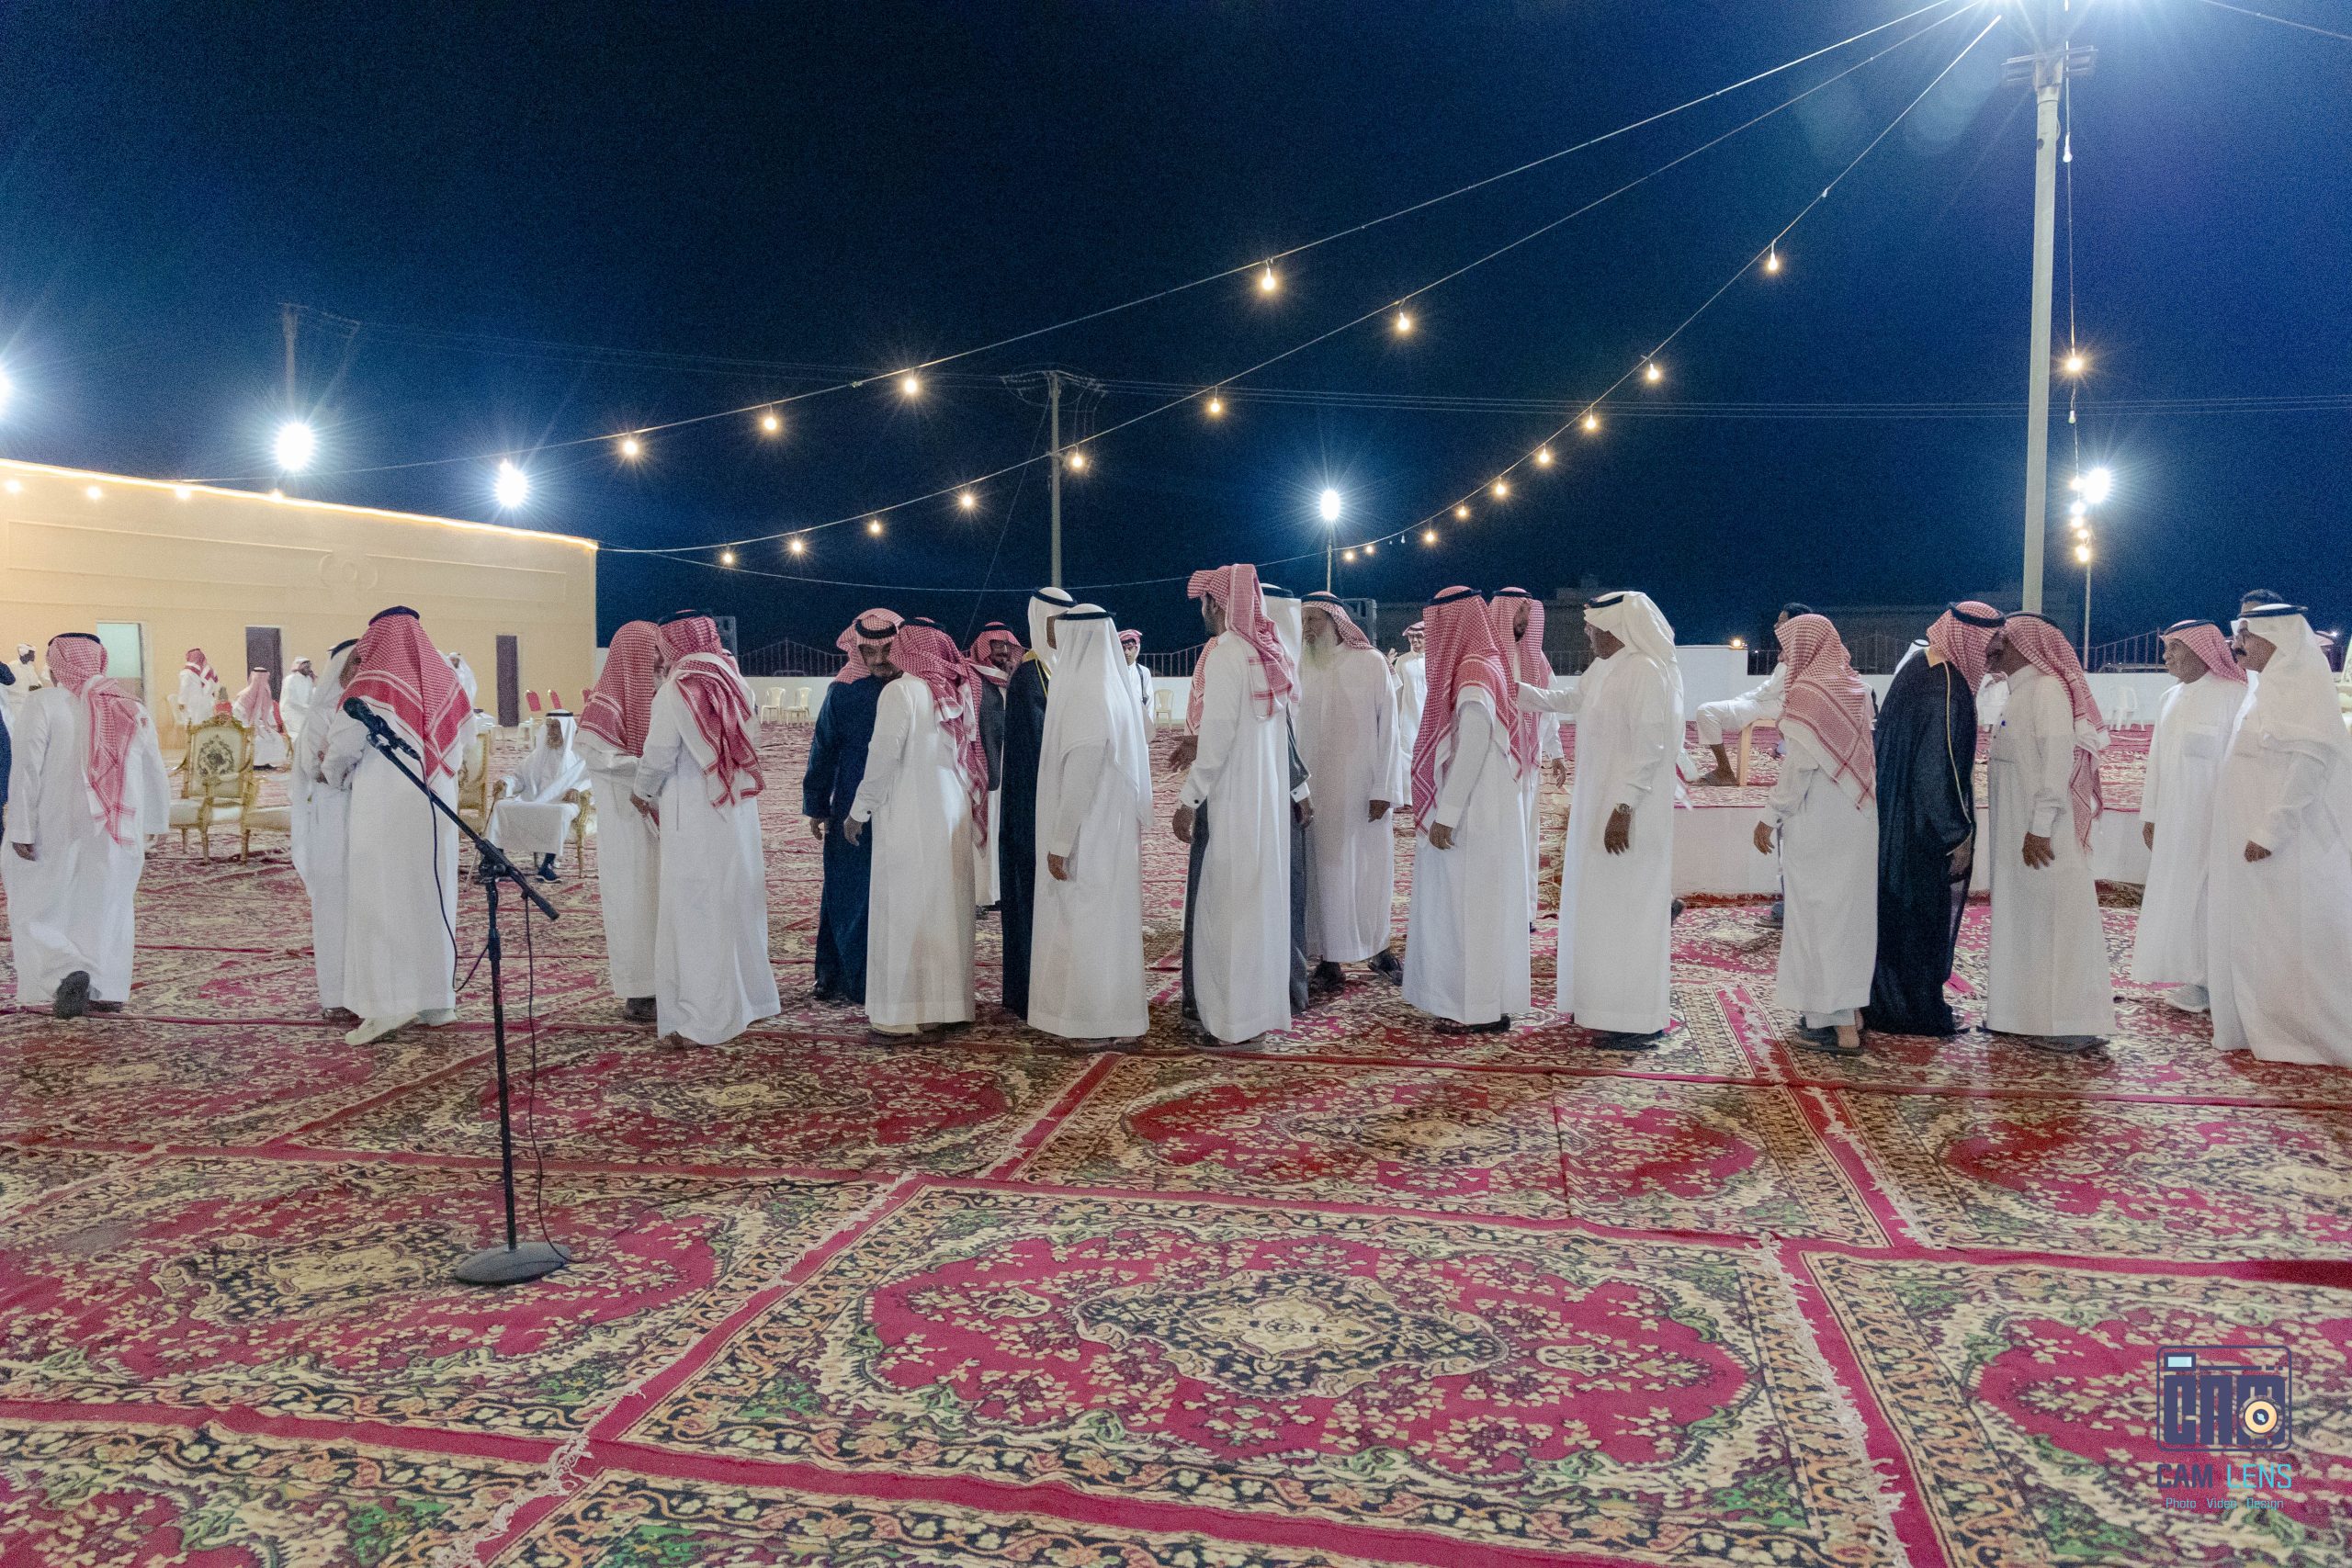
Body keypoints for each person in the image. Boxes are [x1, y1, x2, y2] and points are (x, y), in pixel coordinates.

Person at [1518, 592, 1683, 1046]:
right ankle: (1604, 1004)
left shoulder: (1645, 671)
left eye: (1592, 628)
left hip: (1629, 813)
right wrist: (1510, 690)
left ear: (1615, 628)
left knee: (1630, 909)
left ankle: (1635, 1018)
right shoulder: (1604, 668)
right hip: (1601, 805)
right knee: (1605, 908)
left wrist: (1624, 808)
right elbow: (1567, 699)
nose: (1587, 634)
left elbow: (1651, 748)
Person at [321, 608, 481, 1045]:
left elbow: (342, 747)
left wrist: (331, 774)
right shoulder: (446, 682)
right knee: (431, 893)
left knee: (382, 896)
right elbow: (466, 741)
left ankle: (386, 1006)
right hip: (436, 802)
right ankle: (436, 1000)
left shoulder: (370, 684)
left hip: (383, 805)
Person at [2207, 603, 2352, 1066]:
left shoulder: (2299, 686)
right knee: (2259, 933)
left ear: (2279, 639)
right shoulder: (2263, 687)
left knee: (2290, 935)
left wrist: (2272, 830)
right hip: (2251, 839)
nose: (2238, 644)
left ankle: (2302, 1032)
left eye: (2248, 635)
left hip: (2286, 845)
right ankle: (2263, 1024)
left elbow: (2310, 764)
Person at [3, 632, 171, 1017]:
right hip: (118, 825)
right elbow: (153, 767)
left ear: (58, 666)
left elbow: (26, 770)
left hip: (53, 823)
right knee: (109, 903)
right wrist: (155, 823)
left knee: (37, 903)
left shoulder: (43, 702)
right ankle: (107, 987)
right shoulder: (128, 705)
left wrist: (22, 827)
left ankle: (67, 970)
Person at [633, 611, 778, 1048]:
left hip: (694, 813)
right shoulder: (733, 678)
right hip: (735, 808)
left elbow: (659, 754)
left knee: (698, 913)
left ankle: (704, 1020)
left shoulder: (675, 688)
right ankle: (752, 1000)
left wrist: (641, 791)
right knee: (736, 904)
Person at [1865, 603, 2003, 1037]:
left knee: (1896, 913)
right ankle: (1912, 1011)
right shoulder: (1943, 683)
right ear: (1970, 638)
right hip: (1920, 827)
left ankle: (1890, 1003)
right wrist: (1956, 832)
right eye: (1991, 644)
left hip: (1898, 816)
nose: (1994, 654)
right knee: (1919, 916)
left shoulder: (1922, 667)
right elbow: (1936, 768)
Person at [1174, 563, 1297, 1044]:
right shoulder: (1265, 652)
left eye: (1205, 602)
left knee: (1225, 913)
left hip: (1233, 805)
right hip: (1263, 805)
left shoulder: (1228, 652)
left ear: (1218, 604)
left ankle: (1229, 1024)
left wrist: (1188, 799)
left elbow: (1219, 739)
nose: (1202, 612)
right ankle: (1255, 1014)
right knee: (1256, 909)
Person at [1981, 615, 2115, 1050]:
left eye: (2002, 639)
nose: (1993, 645)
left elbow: (2057, 764)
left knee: (2055, 925)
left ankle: (2068, 1024)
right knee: (2028, 924)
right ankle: (2022, 1015)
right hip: (2020, 835)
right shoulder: (2018, 692)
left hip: (2043, 837)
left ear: (2024, 645)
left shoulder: (2047, 690)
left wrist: (2039, 827)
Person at [847, 620, 984, 1039]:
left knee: (907, 908)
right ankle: (948, 1007)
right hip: (951, 810)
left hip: (910, 813)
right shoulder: (957, 689)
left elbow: (882, 756)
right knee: (946, 908)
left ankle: (908, 1013)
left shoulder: (901, 691)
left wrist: (859, 811)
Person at [1404, 588, 1531, 1031]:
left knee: (1470, 908)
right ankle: (1481, 1003)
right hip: (1485, 803)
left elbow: (1473, 743)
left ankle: (1478, 1010)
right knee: (1476, 906)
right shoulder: (1486, 662)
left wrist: (1447, 814)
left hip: (1475, 808)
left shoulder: (1473, 671)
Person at [1752, 615, 1878, 1055]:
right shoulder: (1855, 687)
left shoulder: (1810, 693)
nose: (1784, 655)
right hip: (1857, 816)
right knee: (1849, 916)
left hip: (1820, 820)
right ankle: (1851, 1012)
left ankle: (1837, 1025)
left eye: (1788, 645)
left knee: (1819, 917)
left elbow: (1799, 767)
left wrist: (1770, 815)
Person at [1029, 605, 1153, 1043]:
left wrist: (1060, 842)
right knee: (1105, 920)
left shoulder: (1087, 691)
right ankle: (1110, 1016)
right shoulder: (1110, 685)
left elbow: (1080, 774)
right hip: (1108, 828)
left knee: (1086, 919)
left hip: (1091, 832)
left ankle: (1091, 1022)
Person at [2129, 620, 2247, 1012]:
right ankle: (2196, 978)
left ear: (2200, 650)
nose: (2166, 656)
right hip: (2176, 820)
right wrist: (2151, 816)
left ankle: (2219, 983)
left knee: (2213, 898)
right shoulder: (2170, 698)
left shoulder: (2235, 694)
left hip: (2218, 820)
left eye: (2174, 648)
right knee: (2182, 897)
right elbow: (2157, 763)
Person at [1298, 592, 1400, 989]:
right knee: (1323, 875)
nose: (1307, 629)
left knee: (1368, 871)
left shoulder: (1370, 662)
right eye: (1303, 621)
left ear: (1336, 622)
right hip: (1314, 791)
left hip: (1362, 791)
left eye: (1314, 620)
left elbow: (1389, 729)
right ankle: (1329, 959)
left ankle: (1379, 948)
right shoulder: (1300, 665)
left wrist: (1384, 787)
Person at [804, 610, 900, 1006]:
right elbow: (823, 749)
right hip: (850, 805)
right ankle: (837, 975)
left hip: (904, 804)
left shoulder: (916, 686)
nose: (878, 660)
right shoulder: (843, 691)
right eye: (869, 652)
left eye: (887, 650)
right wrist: (816, 805)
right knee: (846, 890)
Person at [576, 620, 664, 1022]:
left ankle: (672, 981)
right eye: (653, 655)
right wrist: (651, 767)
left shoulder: (664, 696)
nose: (660, 662)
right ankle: (639, 989)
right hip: (625, 827)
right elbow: (602, 760)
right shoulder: (602, 706)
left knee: (666, 900)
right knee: (634, 903)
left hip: (662, 822)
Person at [999, 586, 1074, 1018]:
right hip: (1029, 800)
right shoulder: (1030, 675)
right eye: (1054, 622)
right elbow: (1040, 742)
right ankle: (1028, 991)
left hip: (1049, 795)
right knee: (1028, 890)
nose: (1060, 630)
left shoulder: (1057, 668)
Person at [290, 637, 358, 1022]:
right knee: (335, 903)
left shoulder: (371, 707)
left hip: (367, 817)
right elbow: (316, 769)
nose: (361, 670)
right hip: (332, 819)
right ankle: (336, 993)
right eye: (354, 663)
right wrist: (343, 767)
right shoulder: (321, 712)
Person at [1259, 583, 1317, 1011]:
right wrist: (1302, 790)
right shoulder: (1267, 665)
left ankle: (1283, 988)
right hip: (1270, 801)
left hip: (1273, 799)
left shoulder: (1278, 666)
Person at [1694, 604, 1812, 784]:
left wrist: (1740, 699)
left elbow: (1770, 690)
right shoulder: (1801, 651)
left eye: (1781, 621)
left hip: (1777, 706)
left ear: (1795, 625)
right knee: (1715, 709)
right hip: (1777, 703)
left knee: (1706, 711)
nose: (1775, 625)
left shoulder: (1797, 655)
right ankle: (1724, 770)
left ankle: (1724, 771)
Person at [1490, 587, 1554, 909]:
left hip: (1528, 761)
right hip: (1495, 759)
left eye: (1529, 612)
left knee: (1527, 832)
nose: (1525, 619)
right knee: (1499, 832)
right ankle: (1501, 907)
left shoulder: (1536, 658)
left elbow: (1549, 707)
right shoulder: (1488, 657)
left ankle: (1525, 909)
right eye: (1519, 611)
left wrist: (1556, 753)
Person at [490, 712, 587, 881]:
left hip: (563, 801)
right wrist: (506, 783)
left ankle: (547, 864)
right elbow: (519, 778)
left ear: (566, 729)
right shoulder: (538, 754)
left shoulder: (579, 755)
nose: (551, 732)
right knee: (500, 807)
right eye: (549, 727)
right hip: (534, 799)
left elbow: (589, 779)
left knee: (560, 813)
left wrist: (577, 789)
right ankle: (499, 861)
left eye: (556, 727)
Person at [968, 623, 1021, 910]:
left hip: (1009, 767)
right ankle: (980, 894)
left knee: (1003, 830)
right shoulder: (972, 678)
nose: (1002, 651)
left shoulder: (1013, 678)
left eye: (1006, 645)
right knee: (981, 830)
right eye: (996, 645)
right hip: (981, 766)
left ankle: (999, 892)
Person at [1393, 621, 1427, 807]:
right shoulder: (1402, 661)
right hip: (1407, 716)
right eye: (1412, 637)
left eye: (1419, 637)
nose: (1415, 640)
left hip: (1429, 717)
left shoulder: (1434, 660)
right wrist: (1397, 718)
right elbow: (1397, 691)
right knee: (1407, 755)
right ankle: (1408, 799)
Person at [1120, 627, 1158, 735]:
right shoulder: (1115, 671)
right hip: (1121, 716)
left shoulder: (1143, 672)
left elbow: (1149, 698)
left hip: (1139, 715)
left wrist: (1149, 723)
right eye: (1123, 648)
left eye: (1130, 648)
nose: (1126, 652)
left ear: (1136, 649)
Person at [175, 647, 218, 733]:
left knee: (193, 727)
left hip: (193, 703)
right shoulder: (208, 670)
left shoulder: (187, 672)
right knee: (206, 727)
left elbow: (184, 687)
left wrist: (181, 701)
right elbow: (215, 686)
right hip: (208, 702)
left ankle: (194, 741)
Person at [281, 656, 318, 739]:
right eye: (306, 667)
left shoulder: (308, 679)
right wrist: (306, 707)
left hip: (305, 711)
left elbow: (310, 697)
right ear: (298, 667)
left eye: (309, 667)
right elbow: (291, 700)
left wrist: (311, 706)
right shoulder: (290, 679)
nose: (309, 669)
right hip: (292, 712)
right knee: (301, 734)